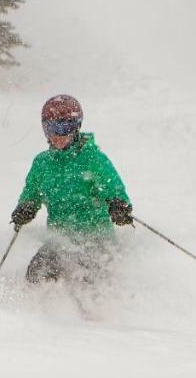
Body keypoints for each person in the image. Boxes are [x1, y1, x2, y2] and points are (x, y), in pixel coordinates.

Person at [10, 94, 133, 285]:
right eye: (52, 128)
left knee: (88, 281)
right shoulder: (42, 163)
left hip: (95, 239)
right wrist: (26, 208)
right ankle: (33, 312)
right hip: (60, 240)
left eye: (64, 127)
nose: (58, 135)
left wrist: (118, 205)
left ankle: (99, 310)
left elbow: (114, 188)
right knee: (37, 273)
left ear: (76, 128)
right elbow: (31, 193)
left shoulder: (93, 159)